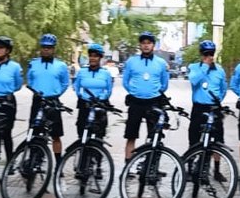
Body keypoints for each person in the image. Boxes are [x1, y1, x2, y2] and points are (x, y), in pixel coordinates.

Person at [122, 31, 169, 161]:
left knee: (154, 135)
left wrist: (155, 92)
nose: (146, 46)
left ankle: (151, 166)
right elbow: (125, 81)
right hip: (136, 102)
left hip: (154, 102)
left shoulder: (161, 63)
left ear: (153, 45)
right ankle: (128, 165)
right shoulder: (131, 61)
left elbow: (164, 84)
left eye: (149, 43)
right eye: (143, 43)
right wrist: (134, 91)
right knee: (131, 135)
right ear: (140, 45)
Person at [27, 34, 71, 160]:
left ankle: (58, 163)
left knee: (56, 134)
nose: (46, 49)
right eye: (44, 47)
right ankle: (33, 158)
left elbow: (65, 83)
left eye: (49, 47)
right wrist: (36, 90)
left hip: (53, 101)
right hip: (37, 100)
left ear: (53, 49)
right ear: (41, 48)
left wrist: (57, 93)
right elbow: (30, 79)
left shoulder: (61, 65)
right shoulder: (33, 64)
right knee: (34, 131)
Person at [188, 40, 228, 147]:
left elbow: (223, 89)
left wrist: (218, 98)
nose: (209, 57)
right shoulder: (194, 67)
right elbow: (193, 81)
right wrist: (205, 67)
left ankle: (216, 163)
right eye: (206, 54)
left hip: (213, 107)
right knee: (194, 138)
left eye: (211, 54)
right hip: (198, 107)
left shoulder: (219, 70)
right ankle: (191, 161)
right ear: (201, 54)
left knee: (218, 139)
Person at [72, 43, 114, 137]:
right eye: (90, 56)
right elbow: (76, 86)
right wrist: (82, 96)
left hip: (100, 104)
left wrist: (101, 97)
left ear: (100, 58)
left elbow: (109, 89)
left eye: (95, 56)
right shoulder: (82, 72)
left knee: (99, 135)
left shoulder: (105, 73)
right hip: (85, 104)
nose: (92, 58)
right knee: (82, 133)